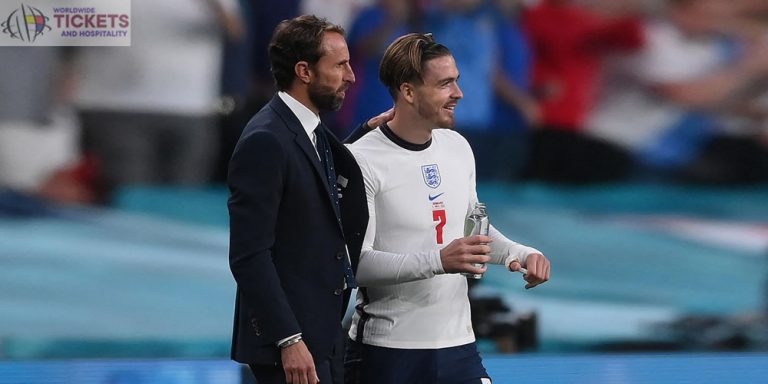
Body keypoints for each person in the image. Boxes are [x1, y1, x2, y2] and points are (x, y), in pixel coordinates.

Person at [344, 33, 551, 384]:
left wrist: (521, 253)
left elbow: (472, 228)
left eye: (456, 80)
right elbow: (356, 264)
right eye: (445, 84)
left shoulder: (457, 147)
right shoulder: (362, 160)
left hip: (459, 348)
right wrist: (439, 260)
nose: (459, 93)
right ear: (408, 92)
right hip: (387, 353)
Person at [227, 15, 369, 384]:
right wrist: (288, 339)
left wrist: (370, 131)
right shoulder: (265, 140)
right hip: (291, 348)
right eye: (340, 65)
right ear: (304, 71)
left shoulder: (309, 129)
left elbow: (315, 179)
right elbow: (249, 255)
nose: (351, 76)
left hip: (323, 335)